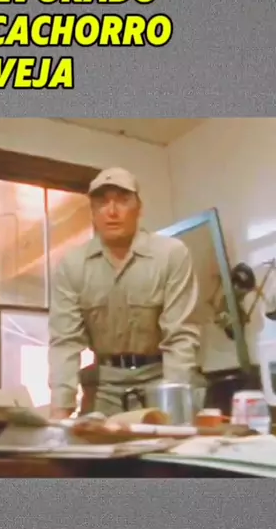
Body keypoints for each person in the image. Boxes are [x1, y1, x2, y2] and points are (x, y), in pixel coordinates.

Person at [48, 166, 201, 418]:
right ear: (93, 213)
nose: (112, 211)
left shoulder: (171, 254)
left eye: (122, 200)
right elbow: (65, 343)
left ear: (139, 208)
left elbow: (181, 337)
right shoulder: (72, 265)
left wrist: (174, 406)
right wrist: (60, 413)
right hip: (102, 389)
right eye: (102, 202)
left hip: (160, 381)